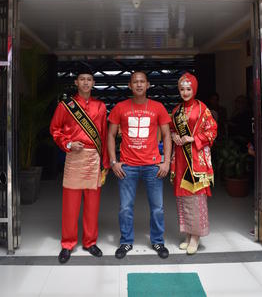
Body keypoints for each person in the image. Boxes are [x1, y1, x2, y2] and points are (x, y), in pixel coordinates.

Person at [108, 71, 172, 259]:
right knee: (125, 207)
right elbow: (110, 135)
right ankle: (126, 242)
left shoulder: (158, 107)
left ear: (148, 84)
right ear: (129, 85)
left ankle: (158, 241)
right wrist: (113, 162)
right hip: (128, 165)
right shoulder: (120, 108)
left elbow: (167, 135)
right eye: (135, 82)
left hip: (153, 165)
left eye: (142, 81)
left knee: (157, 207)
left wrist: (166, 161)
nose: (138, 84)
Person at [50, 67, 109, 264]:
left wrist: (105, 163)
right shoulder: (66, 106)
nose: (85, 82)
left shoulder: (100, 106)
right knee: (70, 205)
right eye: (82, 79)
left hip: (94, 158)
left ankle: (90, 242)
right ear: (76, 82)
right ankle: (67, 244)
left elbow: (103, 134)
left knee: (93, 205)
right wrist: (67, 143)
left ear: (93, 83)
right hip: (74, 157)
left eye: (89, 79)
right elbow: (55, 129)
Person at [170, 72, 217, 255]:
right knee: (183, 196)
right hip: (181, 158)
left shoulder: (202, 109)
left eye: (188, 89)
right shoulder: (176, 111)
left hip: (196, 158)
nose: (185, 92)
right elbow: (172, 129)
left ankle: (196, 237)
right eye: (182, 89)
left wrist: (193, 138)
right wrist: (175, 136)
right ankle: (188, 234)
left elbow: (212, 130)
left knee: (196, 197)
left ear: (194, 89)